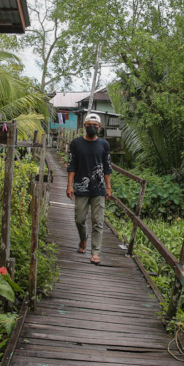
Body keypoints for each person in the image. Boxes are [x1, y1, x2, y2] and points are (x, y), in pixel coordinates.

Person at [67, 113, 112, 265]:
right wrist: (69, 185)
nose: (92, 127)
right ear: (84, 126)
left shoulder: (104, 145)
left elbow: (107, 167)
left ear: (99, 127)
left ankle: (96, 252)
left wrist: (108, 187)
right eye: (89, 124)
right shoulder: (76, 143)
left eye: (95, 125)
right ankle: (83, 239)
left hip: (98, 187)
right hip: (80, 186)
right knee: (80, 219)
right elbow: (71, 165)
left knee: (98, 221)